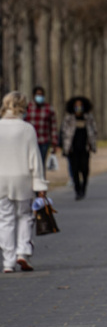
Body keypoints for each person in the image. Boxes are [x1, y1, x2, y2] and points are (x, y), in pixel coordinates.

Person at [0, 91, 48, 273]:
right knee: (25, 216)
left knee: (5, 220)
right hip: (22, 179)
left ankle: (8, 261)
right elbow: (35, 159)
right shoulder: (27, 129)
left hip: (1, 179)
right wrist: (40, 186)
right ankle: (23, 252)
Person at [60, 97, 97, 200]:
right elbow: (64, 132)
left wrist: (92, 144)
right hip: (73, 148)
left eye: (80, 105)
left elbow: (94, 131)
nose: (79, 107)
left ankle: (84, 187)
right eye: (77, 105)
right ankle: (77, 190)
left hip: (85, 148)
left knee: (85, 170)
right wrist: (64, 146)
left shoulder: (88, 118)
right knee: (75, 170)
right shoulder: (69, 118)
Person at [23, 86, 59, 167]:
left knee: (41, 164)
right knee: (30, 164)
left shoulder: (48, 108)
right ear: (33, 96)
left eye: (41, 95)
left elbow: (53, 126)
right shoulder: (27, 108)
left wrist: (54, 142)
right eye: (38, 94)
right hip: (29, 141)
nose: (40, 97)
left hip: (44, 141)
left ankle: (41, 178)